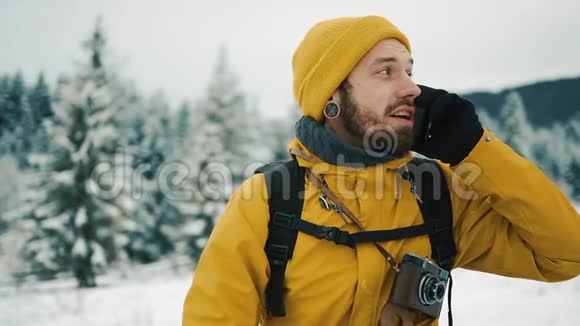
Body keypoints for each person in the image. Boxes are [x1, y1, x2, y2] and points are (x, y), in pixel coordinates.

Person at [182, 15, 580, 325]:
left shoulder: (437, 192)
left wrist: (476, 150)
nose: (412, 88)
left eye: (409, 71)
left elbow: (566, 254)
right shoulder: (268, 203)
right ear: (331, 96)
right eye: (386, 71)